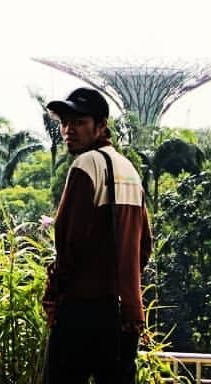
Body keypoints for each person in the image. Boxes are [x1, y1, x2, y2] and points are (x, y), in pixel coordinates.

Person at [41, 87, 152, 384]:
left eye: (79, 122)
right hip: (125, 315)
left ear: (101, 125)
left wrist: (53, 294)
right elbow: (144, 248)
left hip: (82, 311)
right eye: (65, 122)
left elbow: (69, 241)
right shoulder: (129, 170)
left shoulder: (86, 165)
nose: (68, 130)